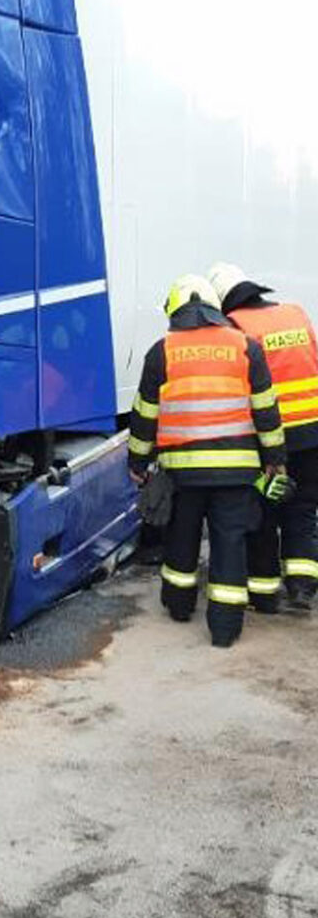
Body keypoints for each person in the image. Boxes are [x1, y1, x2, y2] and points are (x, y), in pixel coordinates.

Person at [128, 274, 287, 646]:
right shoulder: (245, 347)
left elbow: (144, 416)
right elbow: (266, 411)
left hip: (183, 473)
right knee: (230, 543)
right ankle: (225, 629)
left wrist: (137, 463)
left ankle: (180, 606)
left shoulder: (161, 351)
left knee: (181, 537)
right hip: (237, 471)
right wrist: (274, 459)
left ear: (176, 311)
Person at [210, 262, 318, 610]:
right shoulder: (296, 314)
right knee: (303, 509)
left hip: (271, 437)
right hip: (314, 430)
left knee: (265, 511)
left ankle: (264, 590)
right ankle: (302, 587)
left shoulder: (237, 328)